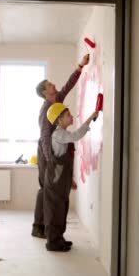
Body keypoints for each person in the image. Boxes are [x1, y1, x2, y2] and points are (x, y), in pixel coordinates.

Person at [31, 54, 90, 238]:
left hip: (52, 150)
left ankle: (43, 226)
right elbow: (45, 137)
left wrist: (80, 66)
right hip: (46, 152)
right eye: (49, 85)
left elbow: (68, 85)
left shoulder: (57, 99)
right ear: (44, 92)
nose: (53, 85)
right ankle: (39, 227)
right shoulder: (45, 110)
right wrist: (50, 162)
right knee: (46, 188)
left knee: (49, 188)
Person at [43, 103, 99, 251]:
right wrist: (89, 119)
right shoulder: (58, 134)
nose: (71, 116)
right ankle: (53, 242)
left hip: (61, 180)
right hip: (56, 182)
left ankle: (59, 238)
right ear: (59, 120)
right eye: (68, 115)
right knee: (55, 211)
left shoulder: (62, 134)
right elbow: (76, 135)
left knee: (61, 209)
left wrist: (71, 179)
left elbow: (66, 162)